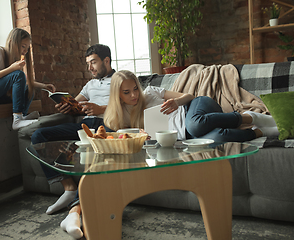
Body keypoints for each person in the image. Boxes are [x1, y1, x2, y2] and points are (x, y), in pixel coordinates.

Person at [30, 44, 114, 223]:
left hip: (106, 126)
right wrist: (65, 107)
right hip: (84, 126)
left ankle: (79, 205)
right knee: (38, 136)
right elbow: (76, 104)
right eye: (88, 64)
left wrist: (100, 108)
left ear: (106, 61)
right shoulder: (90, 84)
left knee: (95, 152)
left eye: (93, 62)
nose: (89, 68)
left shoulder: (121, 79)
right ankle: (68, 188)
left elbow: (130, 104)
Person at [104, 70, 279, 142]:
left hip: (197, 107)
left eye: (135, 89)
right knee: (215, 139)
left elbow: (191, 96)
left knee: (195, 124)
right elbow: (127, 141)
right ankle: (259, 132)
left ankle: (252, 116)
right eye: (127, 92)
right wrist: (143, 138)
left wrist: (177, 102)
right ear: (117, 94)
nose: (134, 95)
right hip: (185, 135)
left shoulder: (150, 92)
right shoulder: (121, 118)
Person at [0, 28, 55, 130]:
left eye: (27, 48)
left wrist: (44, 86)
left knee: (28, 89)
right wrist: (11, 69)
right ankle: (17, 119)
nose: (25, 51)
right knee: (18, 74)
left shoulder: (12, 60)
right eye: (23, 46)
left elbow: (24, 82)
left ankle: (21, 116)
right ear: (12, 42)